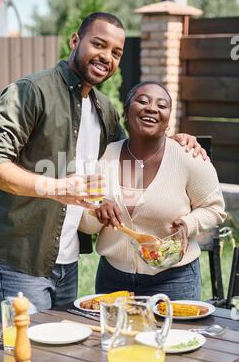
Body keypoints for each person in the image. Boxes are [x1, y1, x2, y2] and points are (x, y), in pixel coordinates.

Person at [0, 13, 207, 321]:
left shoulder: (105, 110)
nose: (107, 57)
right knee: (31, 354)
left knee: (62, 356)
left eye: (116, 53)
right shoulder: (30, 91)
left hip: (67, 259)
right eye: (98, 44)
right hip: (20, 258)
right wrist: (56, 187)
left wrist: (178, 140)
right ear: (75, 41)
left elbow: (135, 153)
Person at [79, 81, 226, 301]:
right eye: (143, 101)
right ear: (127, 112)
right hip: (113, 279)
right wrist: (98, 210)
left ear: (168, 120)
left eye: (162, 105)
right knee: (114, 336)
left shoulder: (188, 157)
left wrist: (189, 223)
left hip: (174, 280)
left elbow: (215, 209)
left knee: (176, 336)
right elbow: (85, 223)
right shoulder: (105, 156)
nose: (152, 108)